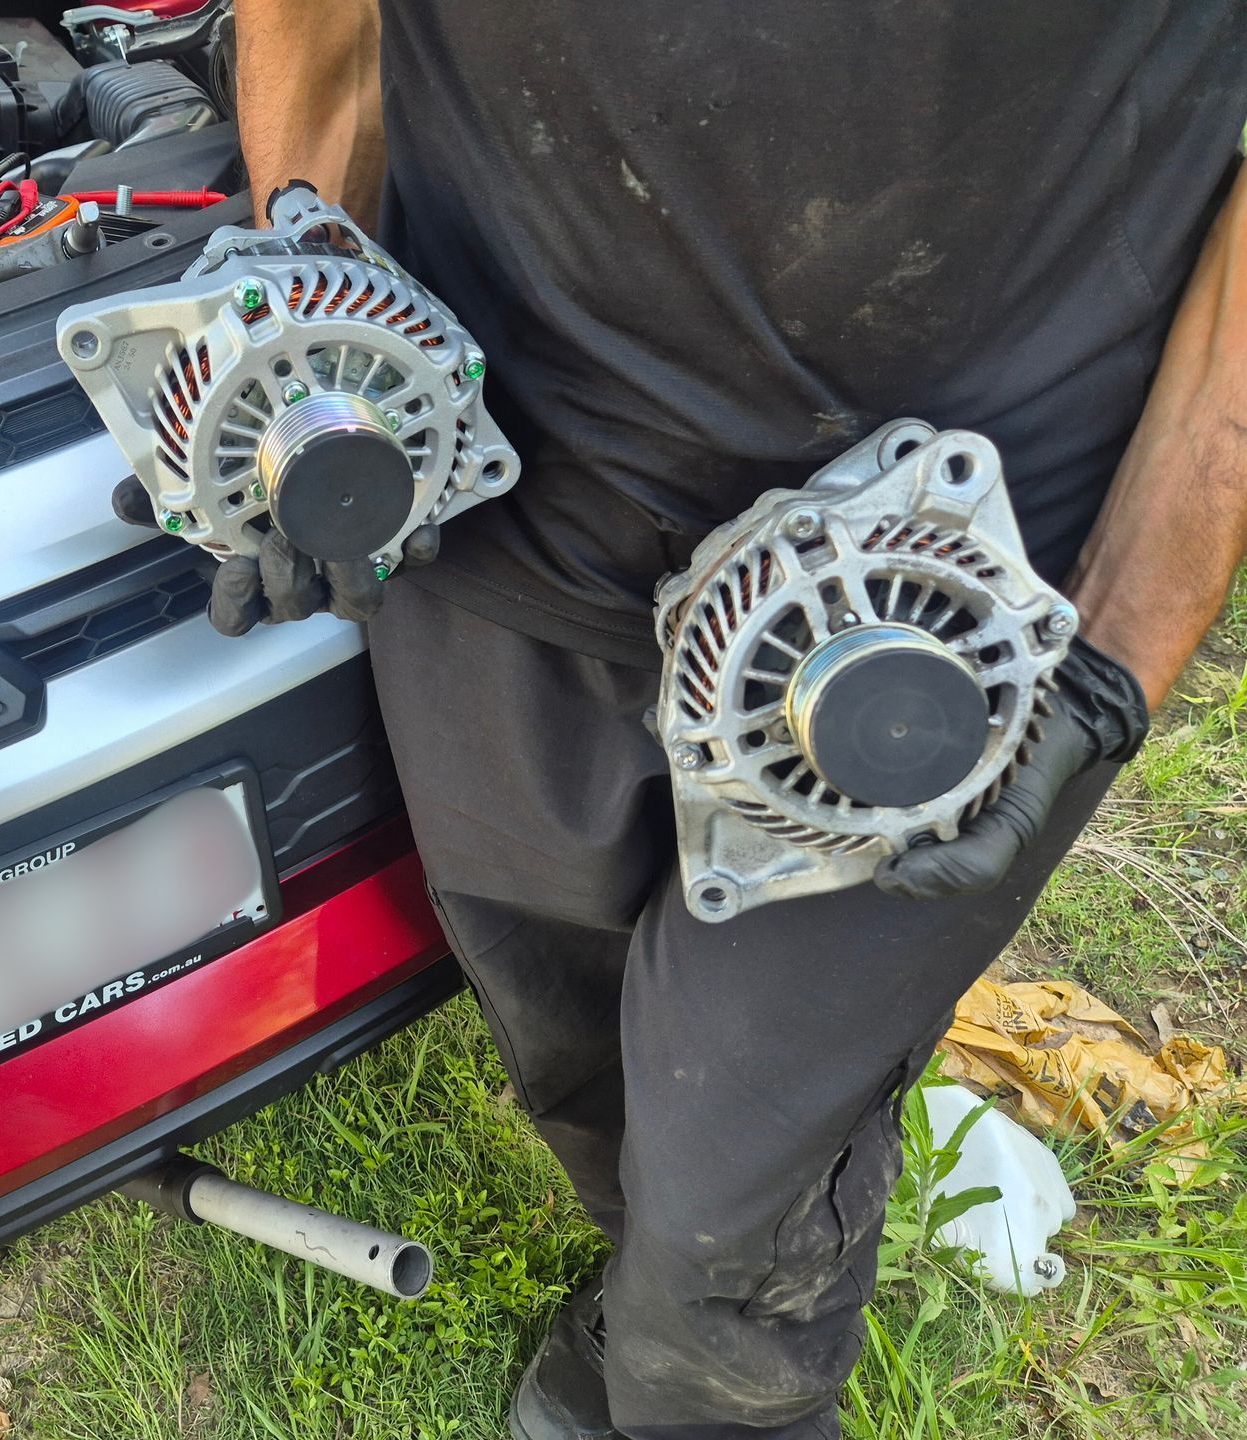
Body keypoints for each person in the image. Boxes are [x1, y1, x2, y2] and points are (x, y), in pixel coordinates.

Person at [120, 5, 1247, 1436]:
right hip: (501, 494)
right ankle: (641, 1280)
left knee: (744, 1154)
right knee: (562, 1019)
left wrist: (1109, 654)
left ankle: (713, 1386)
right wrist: (310, 315)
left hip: (936, 582)